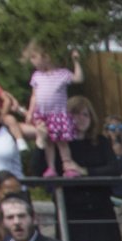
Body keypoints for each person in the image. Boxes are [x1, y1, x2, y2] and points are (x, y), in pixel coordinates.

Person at [30, 96, 122, 241]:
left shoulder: (101, 142)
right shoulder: (59, 145)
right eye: (75, 115)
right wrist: (41, 142)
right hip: (72, 211)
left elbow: (114, 170)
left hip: (100, 210)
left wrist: (85, 172)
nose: (81, 119)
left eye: (85, 115)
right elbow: (37, 171)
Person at [23, 42, 83, 178]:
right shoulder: (36, 76)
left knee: (62, 143)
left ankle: (67, 166)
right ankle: (51, 168)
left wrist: (76, 62)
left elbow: (78, 79)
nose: (32, 61)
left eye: (34, 57)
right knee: (48, 142)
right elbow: (34, 96)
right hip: (43, 115)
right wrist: (30, 112)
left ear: (46, 57)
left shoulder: (62, 74)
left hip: (58, 114)